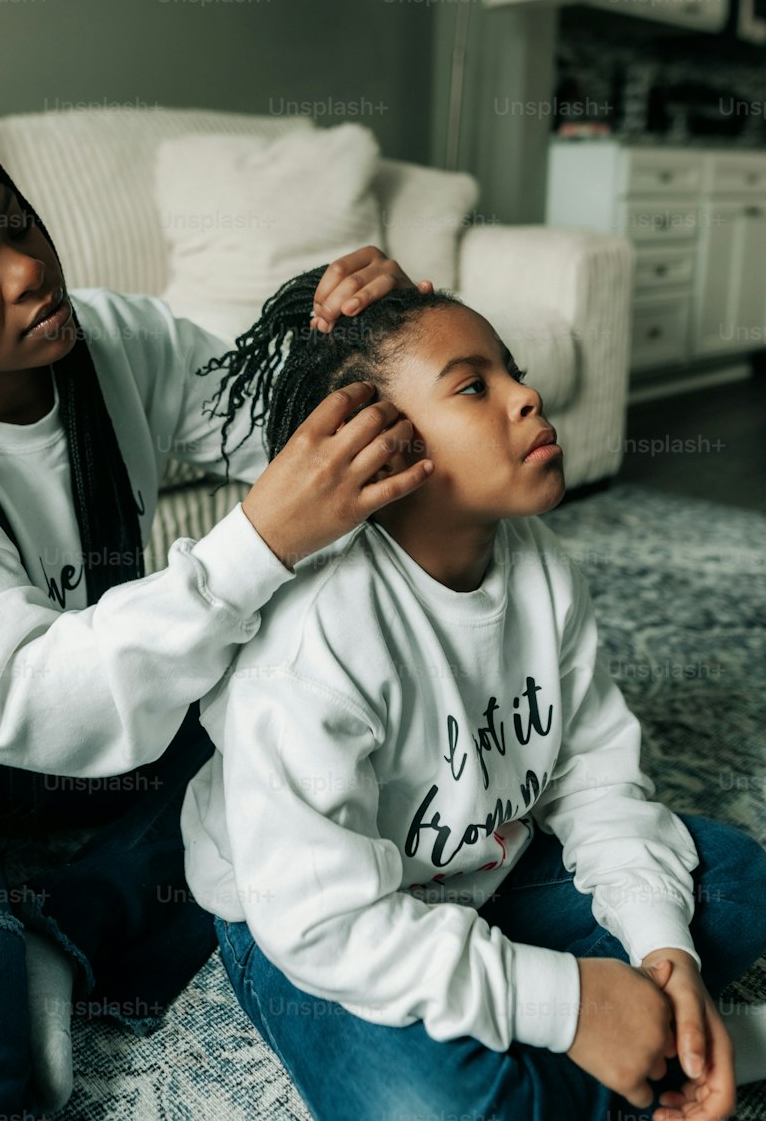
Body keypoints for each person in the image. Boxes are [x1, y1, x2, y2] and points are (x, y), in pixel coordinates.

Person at [0, 112, 436, 1120]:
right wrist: (252, 547)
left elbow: (286, 439)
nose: (28, 273)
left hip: (76, 751)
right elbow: (55, 704)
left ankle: (63, 942)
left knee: (324, 746)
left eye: (22, 229)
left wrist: (374, 346)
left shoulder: (120, 337)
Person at [181, 265, 766, 1121]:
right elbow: (324, 921)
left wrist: (661, 945)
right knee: (436, 1107)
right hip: (322, 925)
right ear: (380, 448)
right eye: (474, 387)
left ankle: (648, 1029)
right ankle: (690, 1052)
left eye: (514, 369)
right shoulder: (315, 635)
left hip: (485, 873)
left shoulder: (541, 566)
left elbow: (595, 779)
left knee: (737, 885)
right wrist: (569, 1002)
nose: (527, 395)